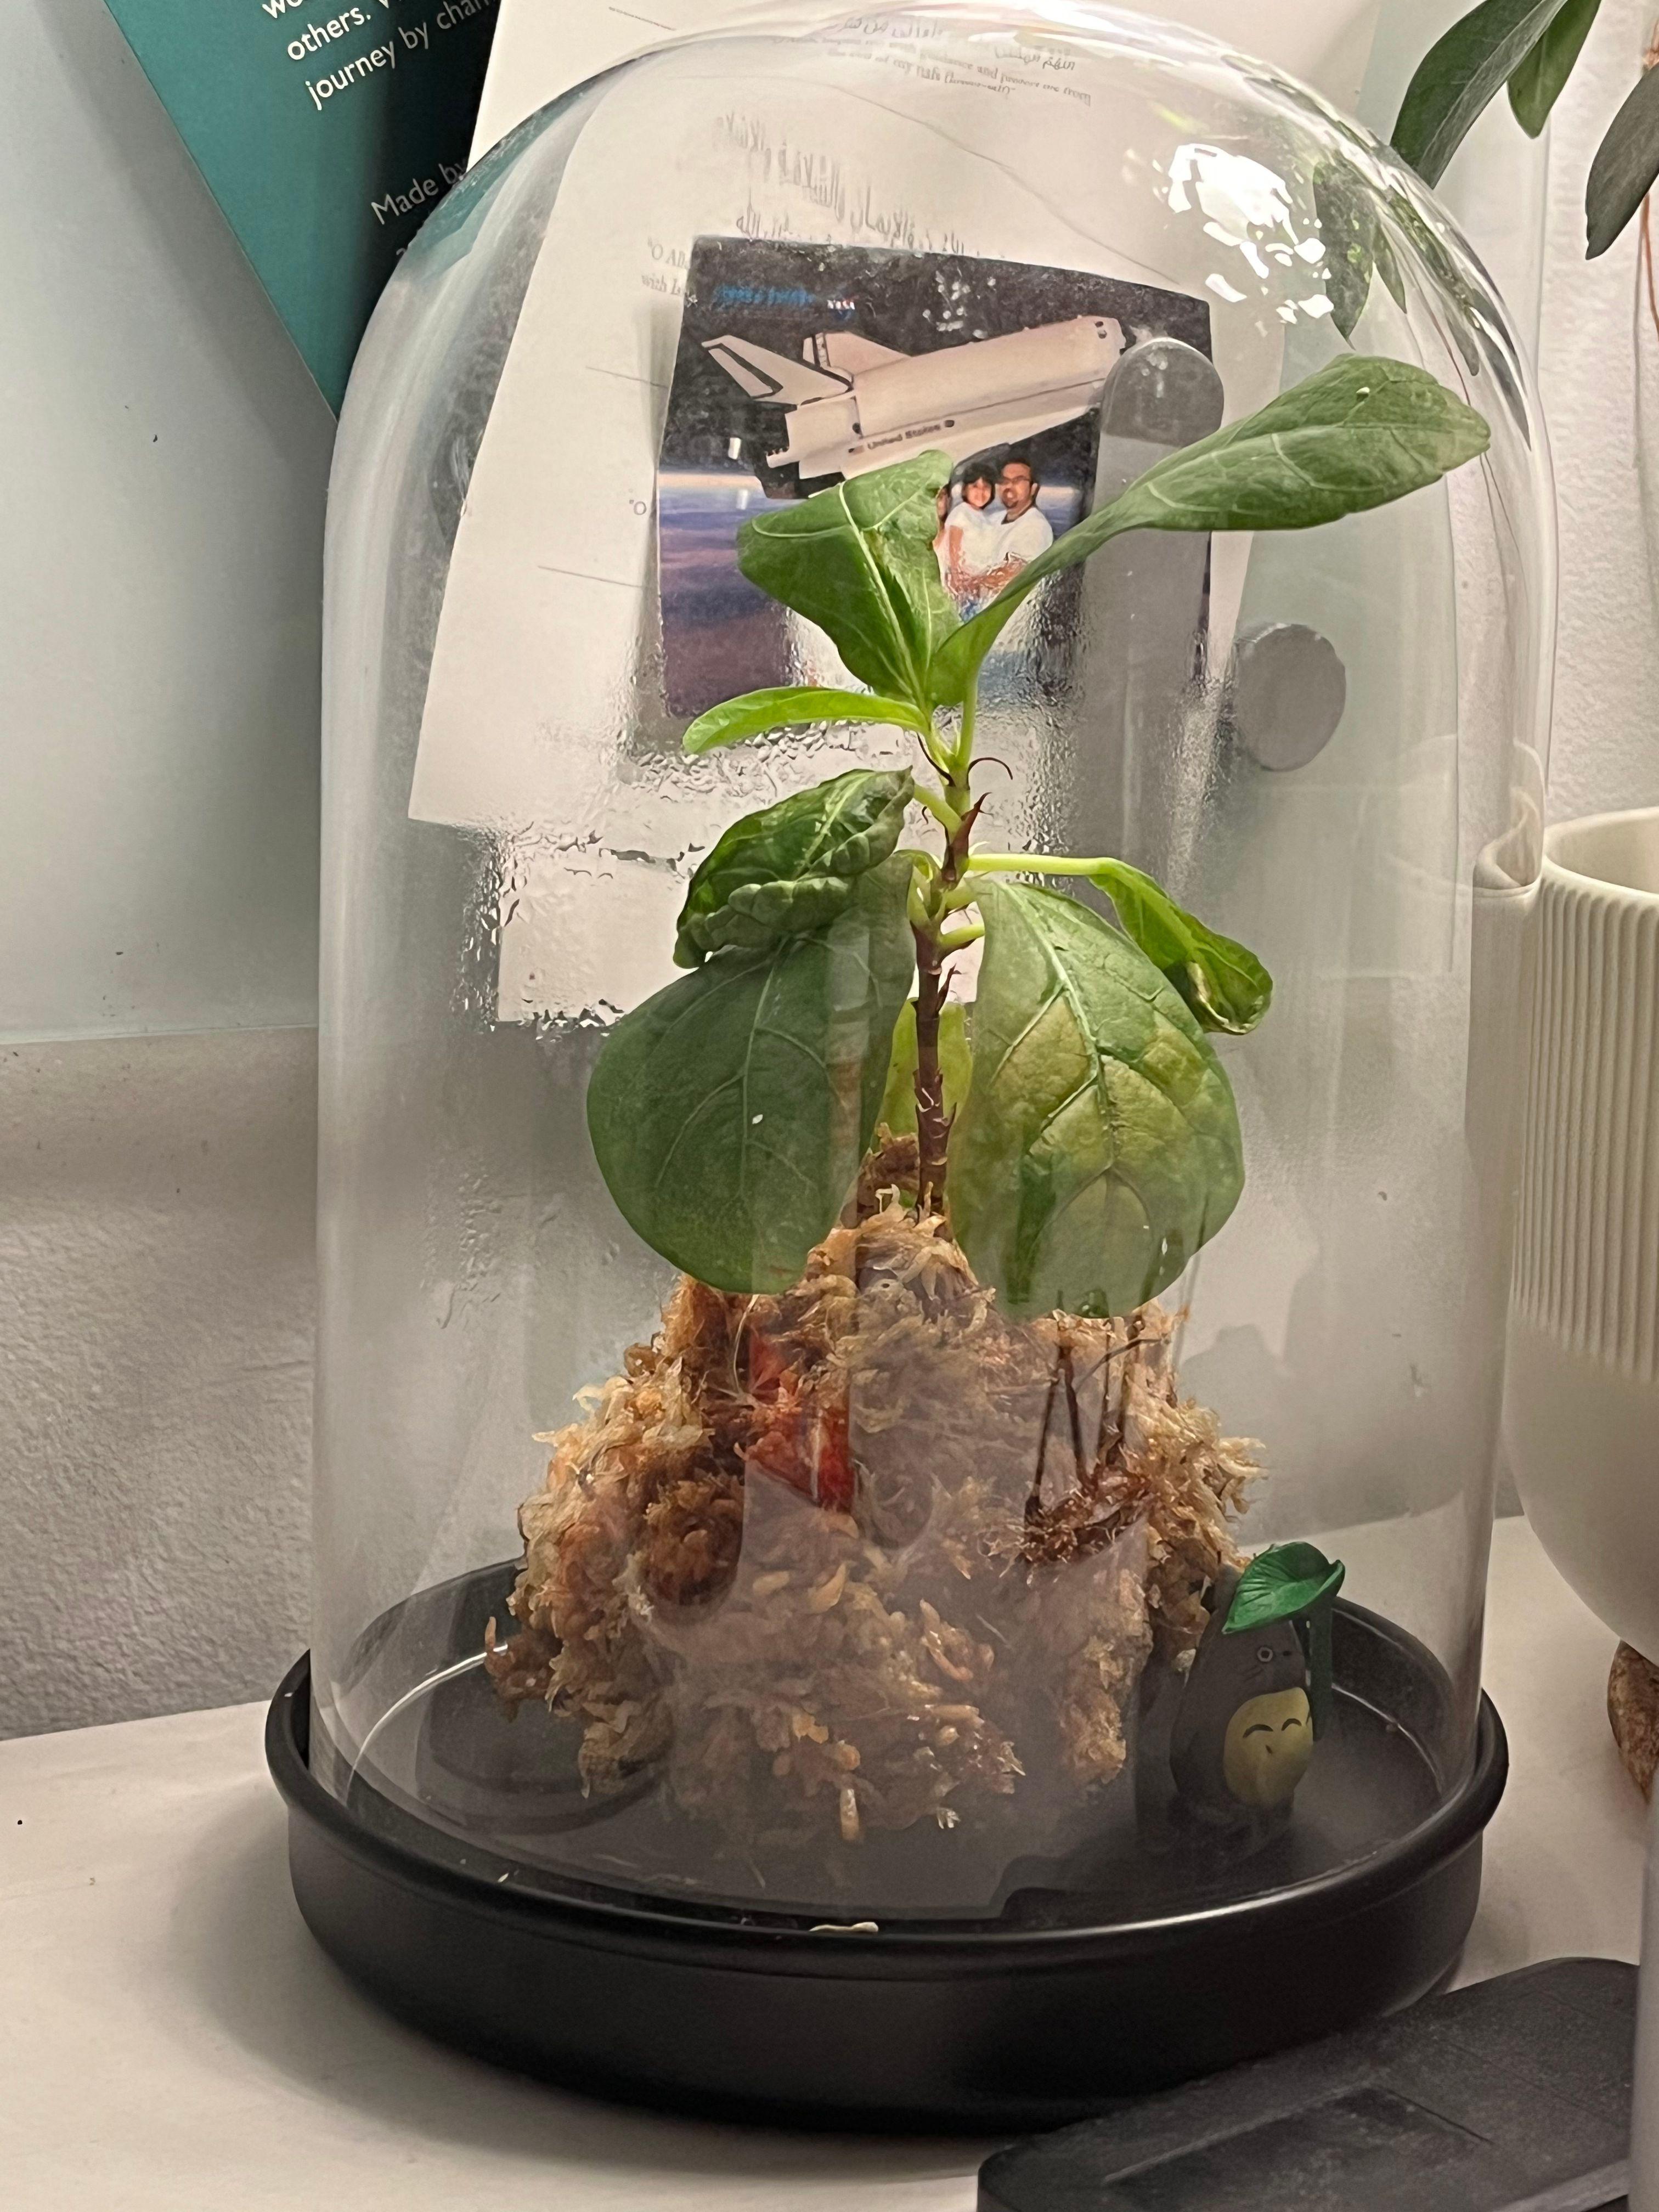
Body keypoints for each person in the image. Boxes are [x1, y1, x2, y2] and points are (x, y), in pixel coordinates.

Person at [977, 453, 1054, 597]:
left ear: (1033, 489)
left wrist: (969, 583)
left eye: (1018, 481)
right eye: (1005, 481)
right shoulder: (994, 518)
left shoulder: (1036, 528)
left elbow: (1010, 577)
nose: (1009, 486)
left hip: (1013, 617)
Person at [935, 462, 1002, 612]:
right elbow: (954, 549)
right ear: (965, 490)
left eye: (986, 487)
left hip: (979, 586)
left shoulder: (984, 518)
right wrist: (959, 580)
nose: (981, 492)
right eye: (975, 487)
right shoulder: (962, 513)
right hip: (964, 589)